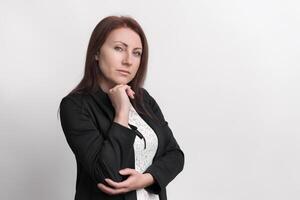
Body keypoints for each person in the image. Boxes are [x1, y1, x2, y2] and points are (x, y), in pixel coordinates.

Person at [59, 15, 184, 200]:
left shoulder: (144, 99)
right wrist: (122, 112)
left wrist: (147, 179)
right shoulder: (75, 106)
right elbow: (107, 173)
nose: (128, 61)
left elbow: (175, 155)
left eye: (136, 53)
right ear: (96, 52)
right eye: (119, 48)